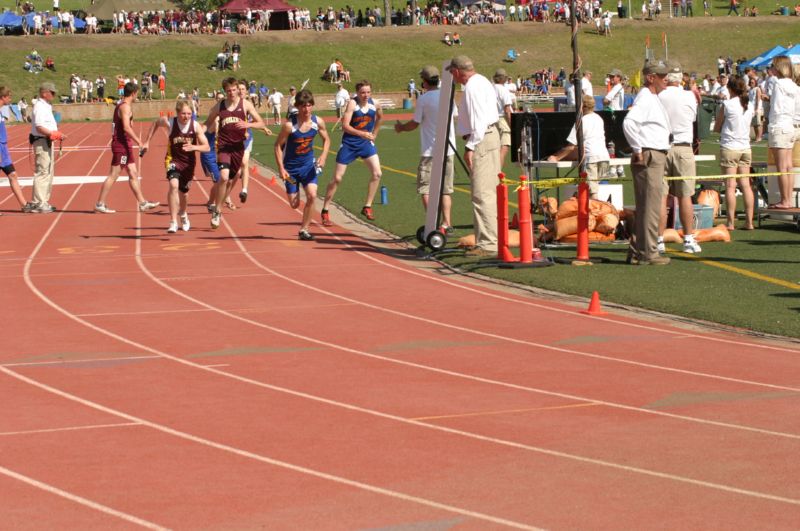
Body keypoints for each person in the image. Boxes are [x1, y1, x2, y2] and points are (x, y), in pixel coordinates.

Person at [448, 55, 501, 258]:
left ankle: (488, 244)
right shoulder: (481, 82)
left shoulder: (472, 87)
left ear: (457, 71)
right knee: (486, 193)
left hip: (482, 138)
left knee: (482, 194)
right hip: (487, 136)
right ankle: (487, 239)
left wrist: (470, 146)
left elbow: (479, 120)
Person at [394, 65, 457, 233]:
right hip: (448, 150)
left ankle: (432, 224)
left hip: (430, 151)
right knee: (445, 189)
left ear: (424, 81)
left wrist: (401, 128)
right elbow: (455, 115)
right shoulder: (447, 96)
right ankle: (446, 223)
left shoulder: (424, 99)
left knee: (426, 188)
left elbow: (415, 123)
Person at [622, 60, 672, 266]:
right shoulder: (646, 99)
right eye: (662, 76)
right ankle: (649, 252)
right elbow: (629, 122)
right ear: (651, 78)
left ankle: (638, 249)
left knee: (646, 206)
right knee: (650, 206)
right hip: (650, 154)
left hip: (652, 152)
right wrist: (638, 150)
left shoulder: (650, 97)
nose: (666, 79)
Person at [203, 76, 264, 229]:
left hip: (238, 149)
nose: (231, 93)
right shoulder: (220, 106)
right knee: (223, 177)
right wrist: (194, 135)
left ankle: (220, 202)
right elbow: (207, 123)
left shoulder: (246, 105)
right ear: (225, 91)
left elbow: (261, 123)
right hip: (224, 147)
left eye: (234, 90)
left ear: (238, 89)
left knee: (232, 179)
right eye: (228, 90)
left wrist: (247, 123)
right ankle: (217, 210)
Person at [320, 79, 384, 224]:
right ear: (357, 93)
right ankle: (325, 209)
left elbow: (380, 118)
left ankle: (367, 206)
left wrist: (375, 134)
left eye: (368, 92)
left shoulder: (376, 104)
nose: (365, 95)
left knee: (377, 173)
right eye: (362, 92)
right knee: (337, 178)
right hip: (349, 143)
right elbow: (345, 126)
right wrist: (362, 133)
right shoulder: (352, 104)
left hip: (366, 144)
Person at [143, 99, 210, 233]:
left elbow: (207, 147)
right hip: (172, 160)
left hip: (188, 164)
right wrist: (147, 142)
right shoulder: (170, 122)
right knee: (173, 185)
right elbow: (156, 123)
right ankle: (173, 221)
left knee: (184, 193)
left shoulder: (195, 126)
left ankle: (183, 214)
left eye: (189, 114)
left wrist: (194, 147)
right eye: (184, 114)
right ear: (178, 113)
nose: (186, 117)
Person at [274, 89, 331, 240]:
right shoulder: (289, 126)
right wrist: (281, 168)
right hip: (290, 171)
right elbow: (277, 146)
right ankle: (302, 220)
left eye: (309, 105)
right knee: (294, 204)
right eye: (303, 106)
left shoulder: (317, 122)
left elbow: (327, 140)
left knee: (312, 196)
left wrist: (323, 156)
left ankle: (304, 230)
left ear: (312, 106)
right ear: (298, 107)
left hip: (308, 168)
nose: (306, 109)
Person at [95, 82, 160, 214]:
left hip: (125, 145)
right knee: (114, 174)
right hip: (121, 145)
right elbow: (126, 127)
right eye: (137, 94)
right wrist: (140, 142)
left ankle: (142, 203)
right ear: (134, 93)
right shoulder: (125, 107)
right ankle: (100, 203)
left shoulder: (122, 105)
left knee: (133, 173)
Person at [658, 60, 701, 254]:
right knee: (686, 196)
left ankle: (658, 240)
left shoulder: (659, 95)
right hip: (683, 147)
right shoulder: (688, 96)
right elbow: (691, 119)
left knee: (661, 196)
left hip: (662, 146)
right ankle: (689, 239)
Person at [547, 94, 610, 200]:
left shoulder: (581, 121)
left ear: (582, 106)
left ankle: (594, 214)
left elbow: (571, 146)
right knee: (588, 188)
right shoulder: (599, 118)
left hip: (591, 159)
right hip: (604, 157)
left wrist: (556, 157)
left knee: (592, 193)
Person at [715, 76, 755, 230]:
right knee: (746, 185)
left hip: (730, 147)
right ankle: (749, 222)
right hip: (745, 147)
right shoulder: (748, 104)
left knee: (730, 186)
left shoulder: (727, 104)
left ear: (730, 89)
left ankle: (731, 222)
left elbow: (717, 127)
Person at [766, 56, 798, 209]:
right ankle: (788, 199)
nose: (770, 68)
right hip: (790, 125)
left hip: (779, 125)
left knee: (781, 167)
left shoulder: (778, 83)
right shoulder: (793, 85)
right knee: (788, 166)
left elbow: (777, 107)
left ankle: (785, 200)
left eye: (772, 65)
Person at [28, 82, 63, 214]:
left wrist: (55, 133)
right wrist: (54, 133)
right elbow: (39, 127)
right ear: (44, 93)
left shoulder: (45, 106)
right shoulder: (40, 107)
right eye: (52, 92)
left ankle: (43, 201)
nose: (54, 95)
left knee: (47, 172)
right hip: (42, 141)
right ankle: (39, 202)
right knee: (42, 172)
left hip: (47, 141)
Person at [0, 86, 31, 211]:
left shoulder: (1, 111)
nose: (11, 99)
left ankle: (24, 205)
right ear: (3, 97)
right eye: (9, 97)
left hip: (3, 148)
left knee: (13, 175)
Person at [493, 68, 514, 164]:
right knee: (504, 147)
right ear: (504, 79)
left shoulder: (491, 88)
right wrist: (512, 125)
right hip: (502, 119)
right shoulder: (503, 90)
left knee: (495, 149)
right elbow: (507, 110)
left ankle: (493, 172)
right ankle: (496, 173)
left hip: (492, 120)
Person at [748, 76, 764, 142]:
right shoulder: (750, 90)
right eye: (750, 82)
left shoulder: (757, 89)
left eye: (753, 82)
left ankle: (759, 137)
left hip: (759, 109)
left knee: (759, 123)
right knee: (754, 124)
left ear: (755, 83)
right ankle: (757, 136)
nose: (751, 83)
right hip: (752, 109)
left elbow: (758, 99)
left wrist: (756, 109)